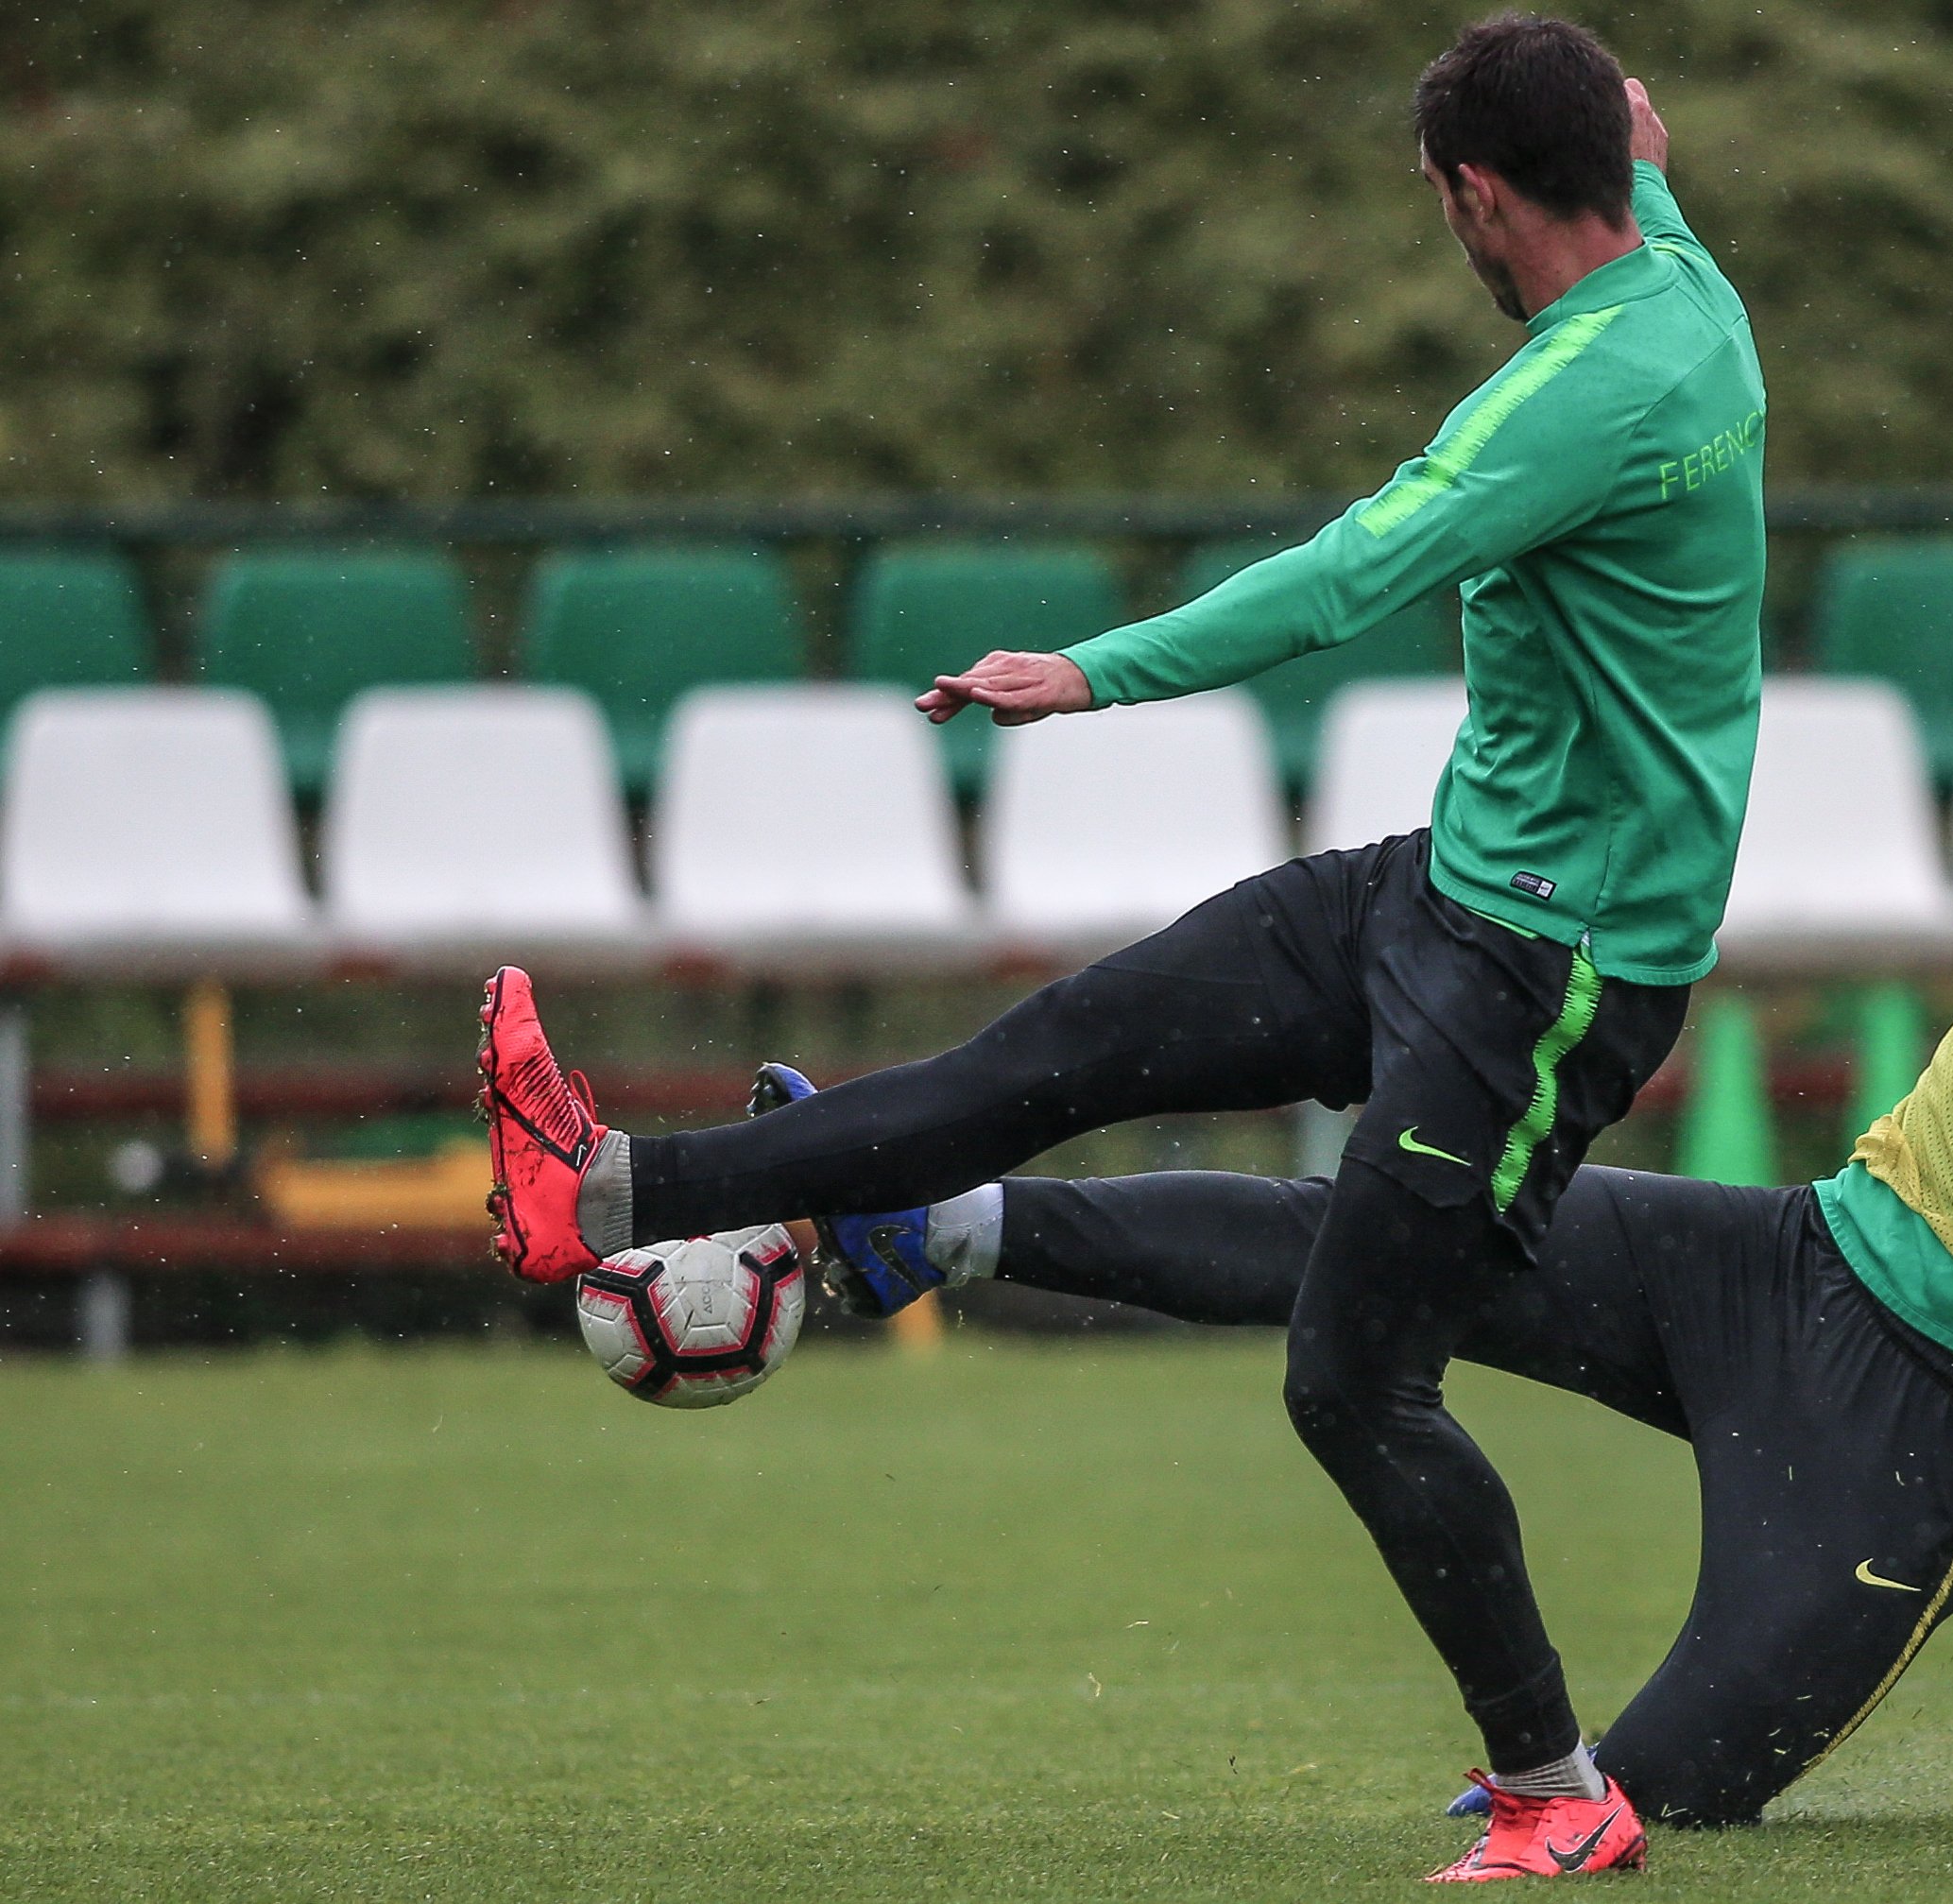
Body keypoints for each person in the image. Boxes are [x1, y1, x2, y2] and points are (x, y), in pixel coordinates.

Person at [478, 14, 1763, 1881]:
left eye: (1441, 201)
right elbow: (1631, 134)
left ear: (1481, 194)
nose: (1446, 231)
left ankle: (1556, 1790)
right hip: (1443, 891)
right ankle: (604, 1190)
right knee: (1048, 1060)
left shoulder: (1582, 394)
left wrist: (1096, 671)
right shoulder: (1683, 283)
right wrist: (1621, 126)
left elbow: (1344, 575)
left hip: (1555, 977)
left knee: (1354, 1379)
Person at [762, 591, 1953, 1840]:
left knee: (1654, 1803)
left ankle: (1591, 1785)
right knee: (1378, 1233)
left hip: (1942, 1432)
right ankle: (941, 1228)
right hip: (1793, 1262)